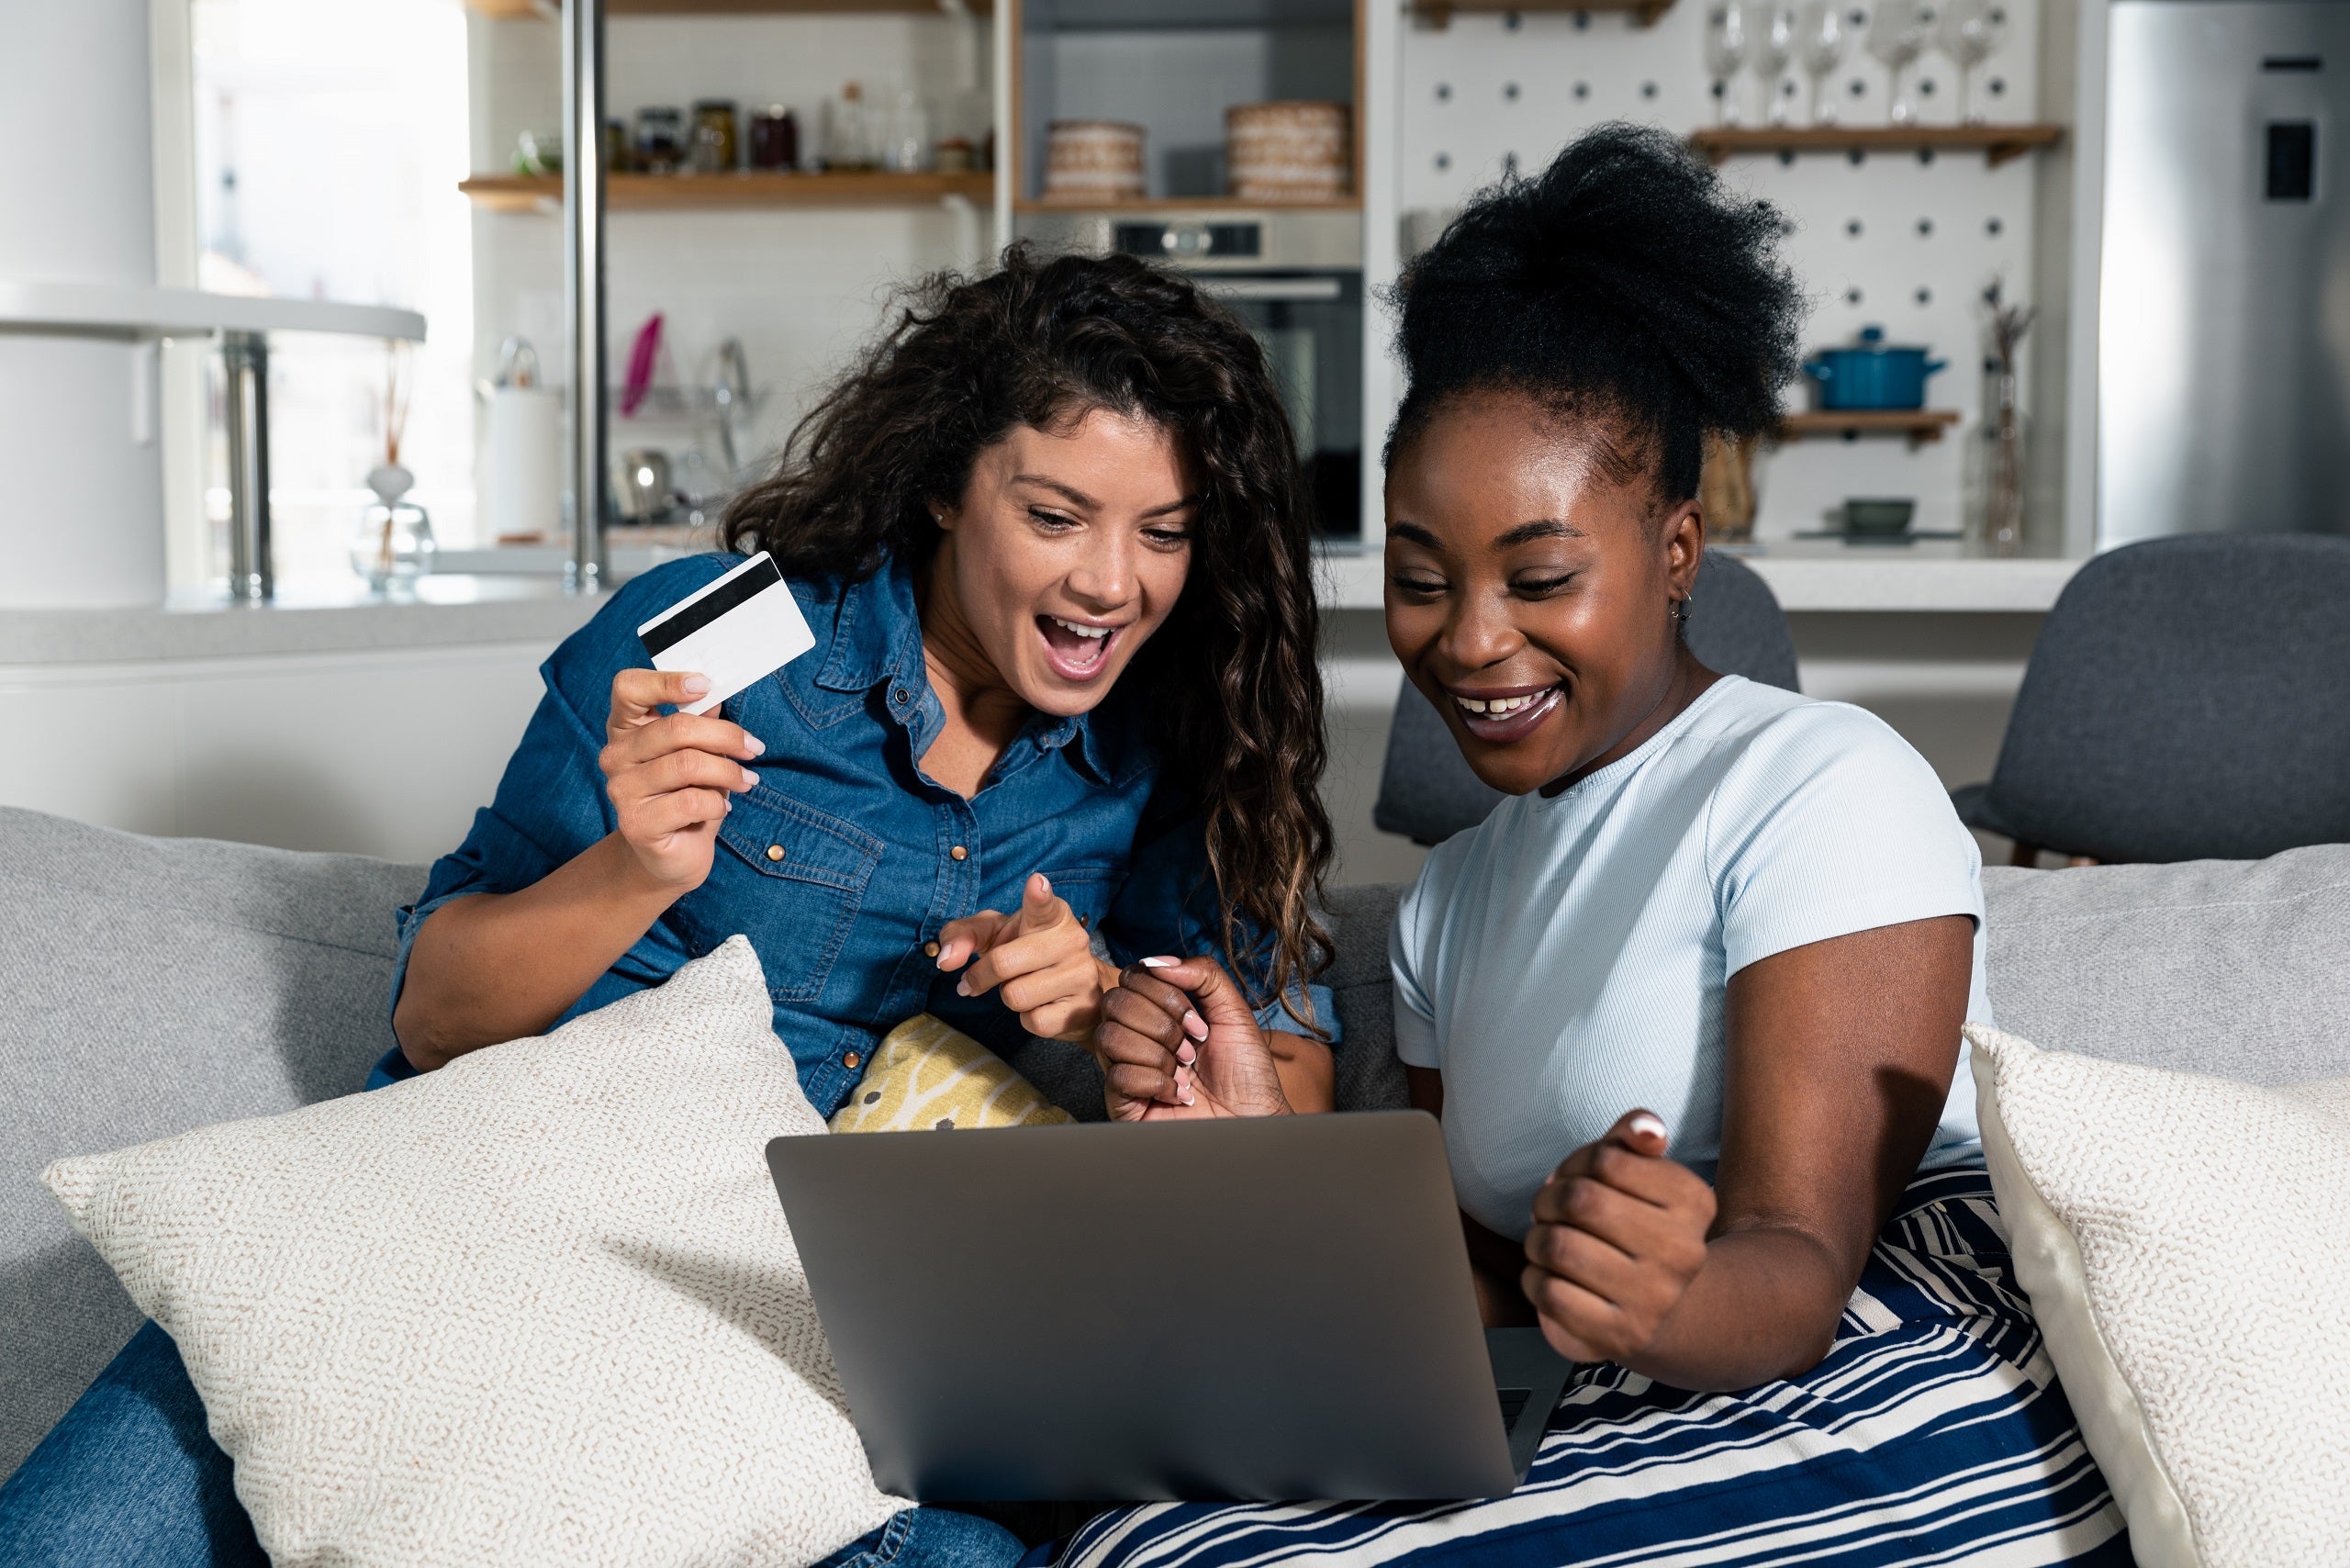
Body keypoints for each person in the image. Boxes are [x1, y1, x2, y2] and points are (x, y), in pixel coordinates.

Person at [0, 244, 1340, 1568]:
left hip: (788, 1338)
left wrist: (1103, 1001)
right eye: (1056, 516)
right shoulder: (735, 635)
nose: (1114, 583)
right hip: (472, 1218)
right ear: (945, 485)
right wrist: (632, 868)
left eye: (1163, 532)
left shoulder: (1178, 745)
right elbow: (433, 1019)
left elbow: (1284, 1128)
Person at [1077, 127, 2132, 1565]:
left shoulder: (1819, 783)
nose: (1470, 640)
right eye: (1420, 580)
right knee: (1138, 1544)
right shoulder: (1454, 900)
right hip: (1617, 1388)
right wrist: (1273, 1149)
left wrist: (1665, 1289)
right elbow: (1492, 1291)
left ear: (1679, 552)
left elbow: (1801, 1270)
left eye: (1541, 576)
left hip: (1886, 1369)